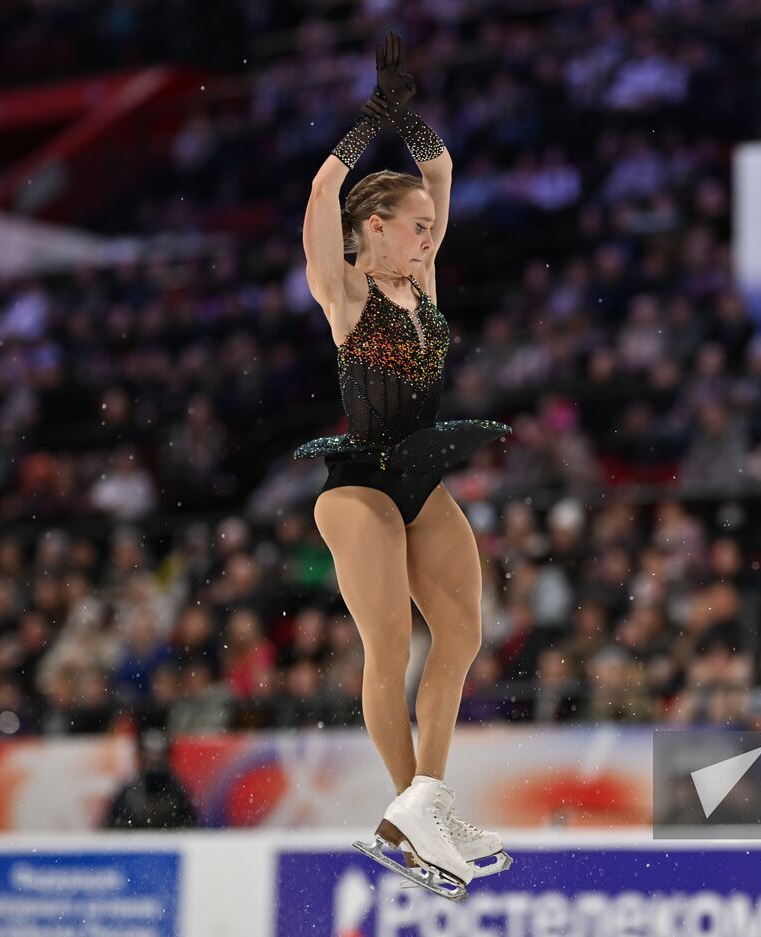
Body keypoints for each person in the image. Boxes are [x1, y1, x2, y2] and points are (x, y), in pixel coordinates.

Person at [294, 31, 512, 899]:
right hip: (358, 482)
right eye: (417, 227)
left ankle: (425, 802)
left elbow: (444, 169)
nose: (432, 236)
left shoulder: (421, 280)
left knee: (461, 633)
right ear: (374, 228)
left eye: (430, 229)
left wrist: (408, 117)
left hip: (421, 470)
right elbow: (321, 190)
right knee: (388, 639)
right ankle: (407, 807)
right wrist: (363, 127)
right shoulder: (343, 288)